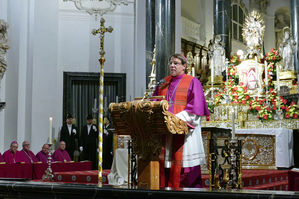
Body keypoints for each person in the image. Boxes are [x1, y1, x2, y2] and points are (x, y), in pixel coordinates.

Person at [154, 53, 209, 188]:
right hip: (166, 133)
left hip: (185, 132)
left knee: (184, 167)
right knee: (165, 162)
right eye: (171, 63)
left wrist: (173, 119)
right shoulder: (163, 82)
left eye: (176, 63)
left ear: (184, 66)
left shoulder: (192, 81)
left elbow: (195, 108)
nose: (172, 65)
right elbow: (154, 103)